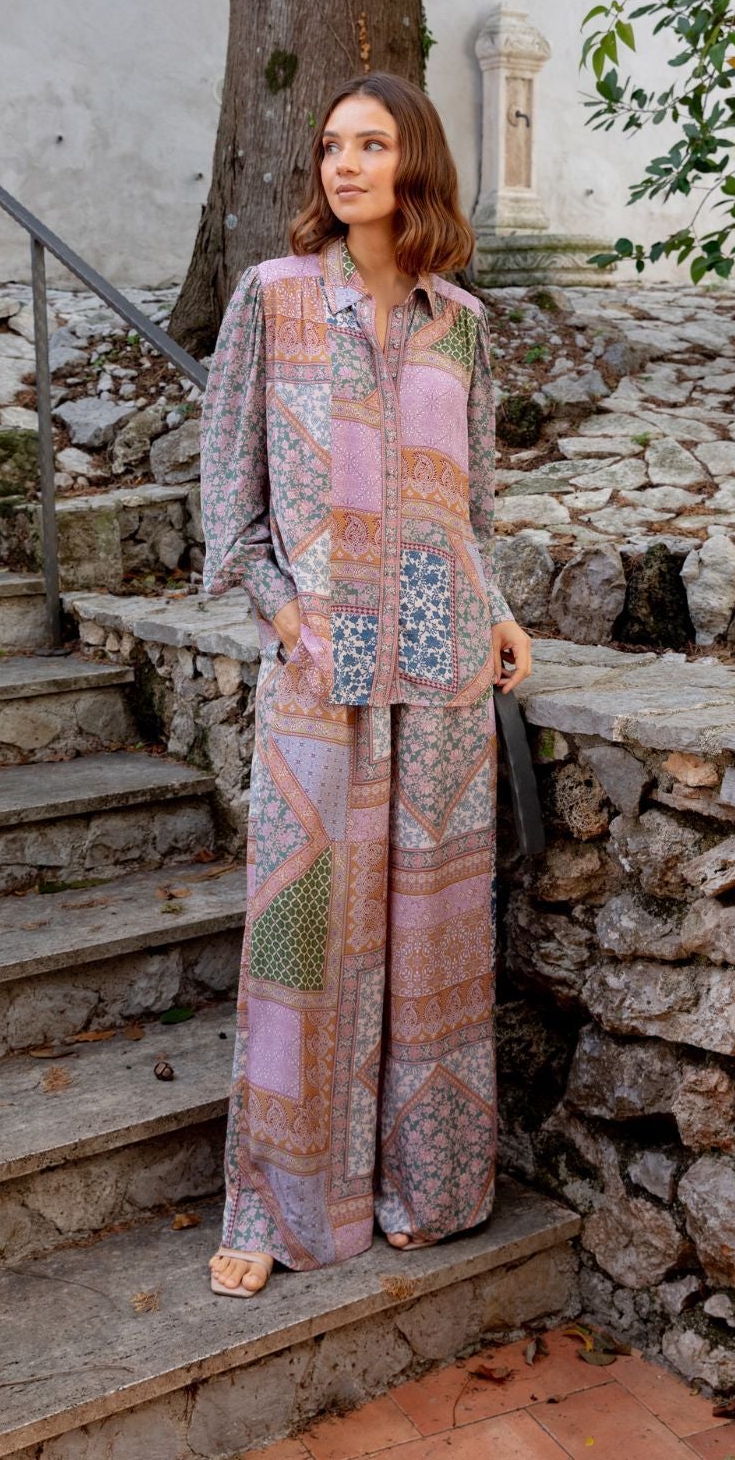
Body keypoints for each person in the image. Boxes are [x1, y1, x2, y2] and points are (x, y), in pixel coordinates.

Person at [199, 71, 533, 1298]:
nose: (345, 164)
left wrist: (499, 611)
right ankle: (276, 1206)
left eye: (372, 144)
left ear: (413, 164)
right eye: (332, 145)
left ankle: (425, 1188)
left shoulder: (463, 324)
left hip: (443, 661)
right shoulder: (273, 298)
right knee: (302, 939)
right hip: (320, 666)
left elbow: (471, 505)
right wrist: (287, 615)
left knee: (434, 943)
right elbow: (228, 498)